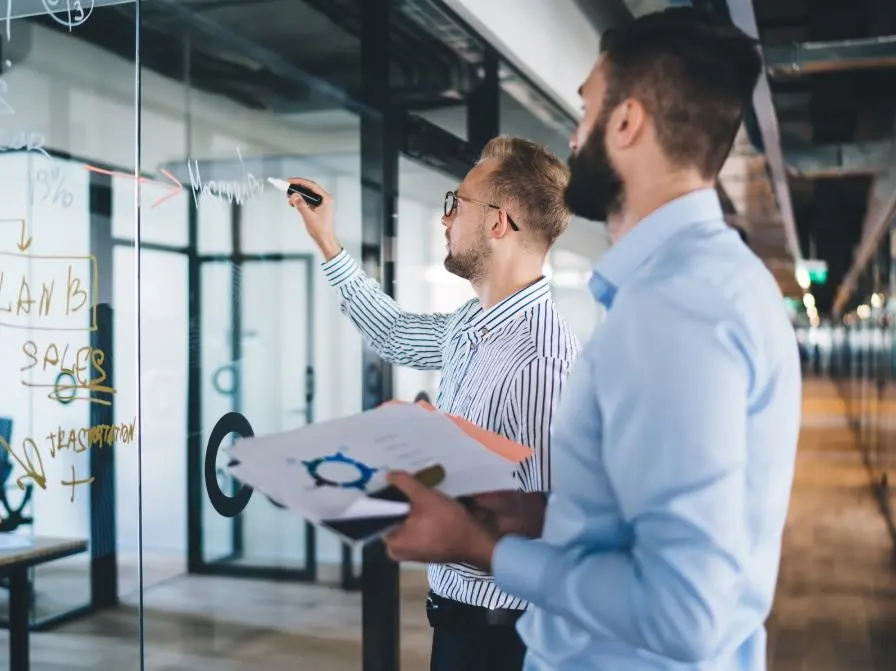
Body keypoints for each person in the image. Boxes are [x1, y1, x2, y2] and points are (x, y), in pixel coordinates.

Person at [380, 8, 802, 671]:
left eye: (586, 111)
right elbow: (655, 533)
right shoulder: (715, 282)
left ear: (627, 122)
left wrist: (485, 549)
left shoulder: (675, 307)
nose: (576, 138)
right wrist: (539, 517)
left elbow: (683, 611)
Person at [288, 135, 580, 671]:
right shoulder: (471, 323)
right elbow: (396, 333)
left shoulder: (540, 359)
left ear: (499, 222)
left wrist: (416, 489)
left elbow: (543, 524)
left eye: (456, 204)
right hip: (458, 623)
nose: (445, 219)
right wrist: (327, 242)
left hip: (504, 639)